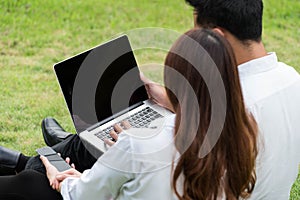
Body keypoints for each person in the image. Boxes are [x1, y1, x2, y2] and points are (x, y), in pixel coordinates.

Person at [0, 29, 258, 200]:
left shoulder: (140, 143)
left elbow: (81, 195)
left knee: (32, 182)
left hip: (88, 187)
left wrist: (62, 177)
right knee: (88, 143)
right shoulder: (242, 135)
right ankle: (46, 152)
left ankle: (31, 161)